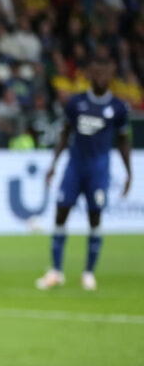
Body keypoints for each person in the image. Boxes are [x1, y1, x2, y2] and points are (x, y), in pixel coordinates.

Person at [36, 55, 131, 291]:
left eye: (104, 74)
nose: (100, 78)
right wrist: (53, 165)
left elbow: (123, 142)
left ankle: (89, 273)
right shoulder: (76, 103)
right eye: (96, 74)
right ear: (90, 75)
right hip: (74, 168)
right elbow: (64, 135)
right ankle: (56, 271)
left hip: (98, 171)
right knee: (61, 214)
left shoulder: (118, 108)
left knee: (95, 218)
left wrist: (129, 173)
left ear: (110, 75)